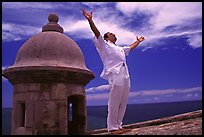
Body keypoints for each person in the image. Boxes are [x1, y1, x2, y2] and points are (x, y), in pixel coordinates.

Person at [82, 9, 145, 135]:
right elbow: (97, 32)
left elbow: (130, 48)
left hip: (125, 74)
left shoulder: (120, 49)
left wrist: (138, 41)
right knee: (114, 101)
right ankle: (112, 128)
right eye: (112, 34)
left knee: (123, 101)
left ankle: (119, 126)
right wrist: (90, 20)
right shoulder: (103, 45)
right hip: (114, 74)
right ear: (106, 37)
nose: (115, 35)